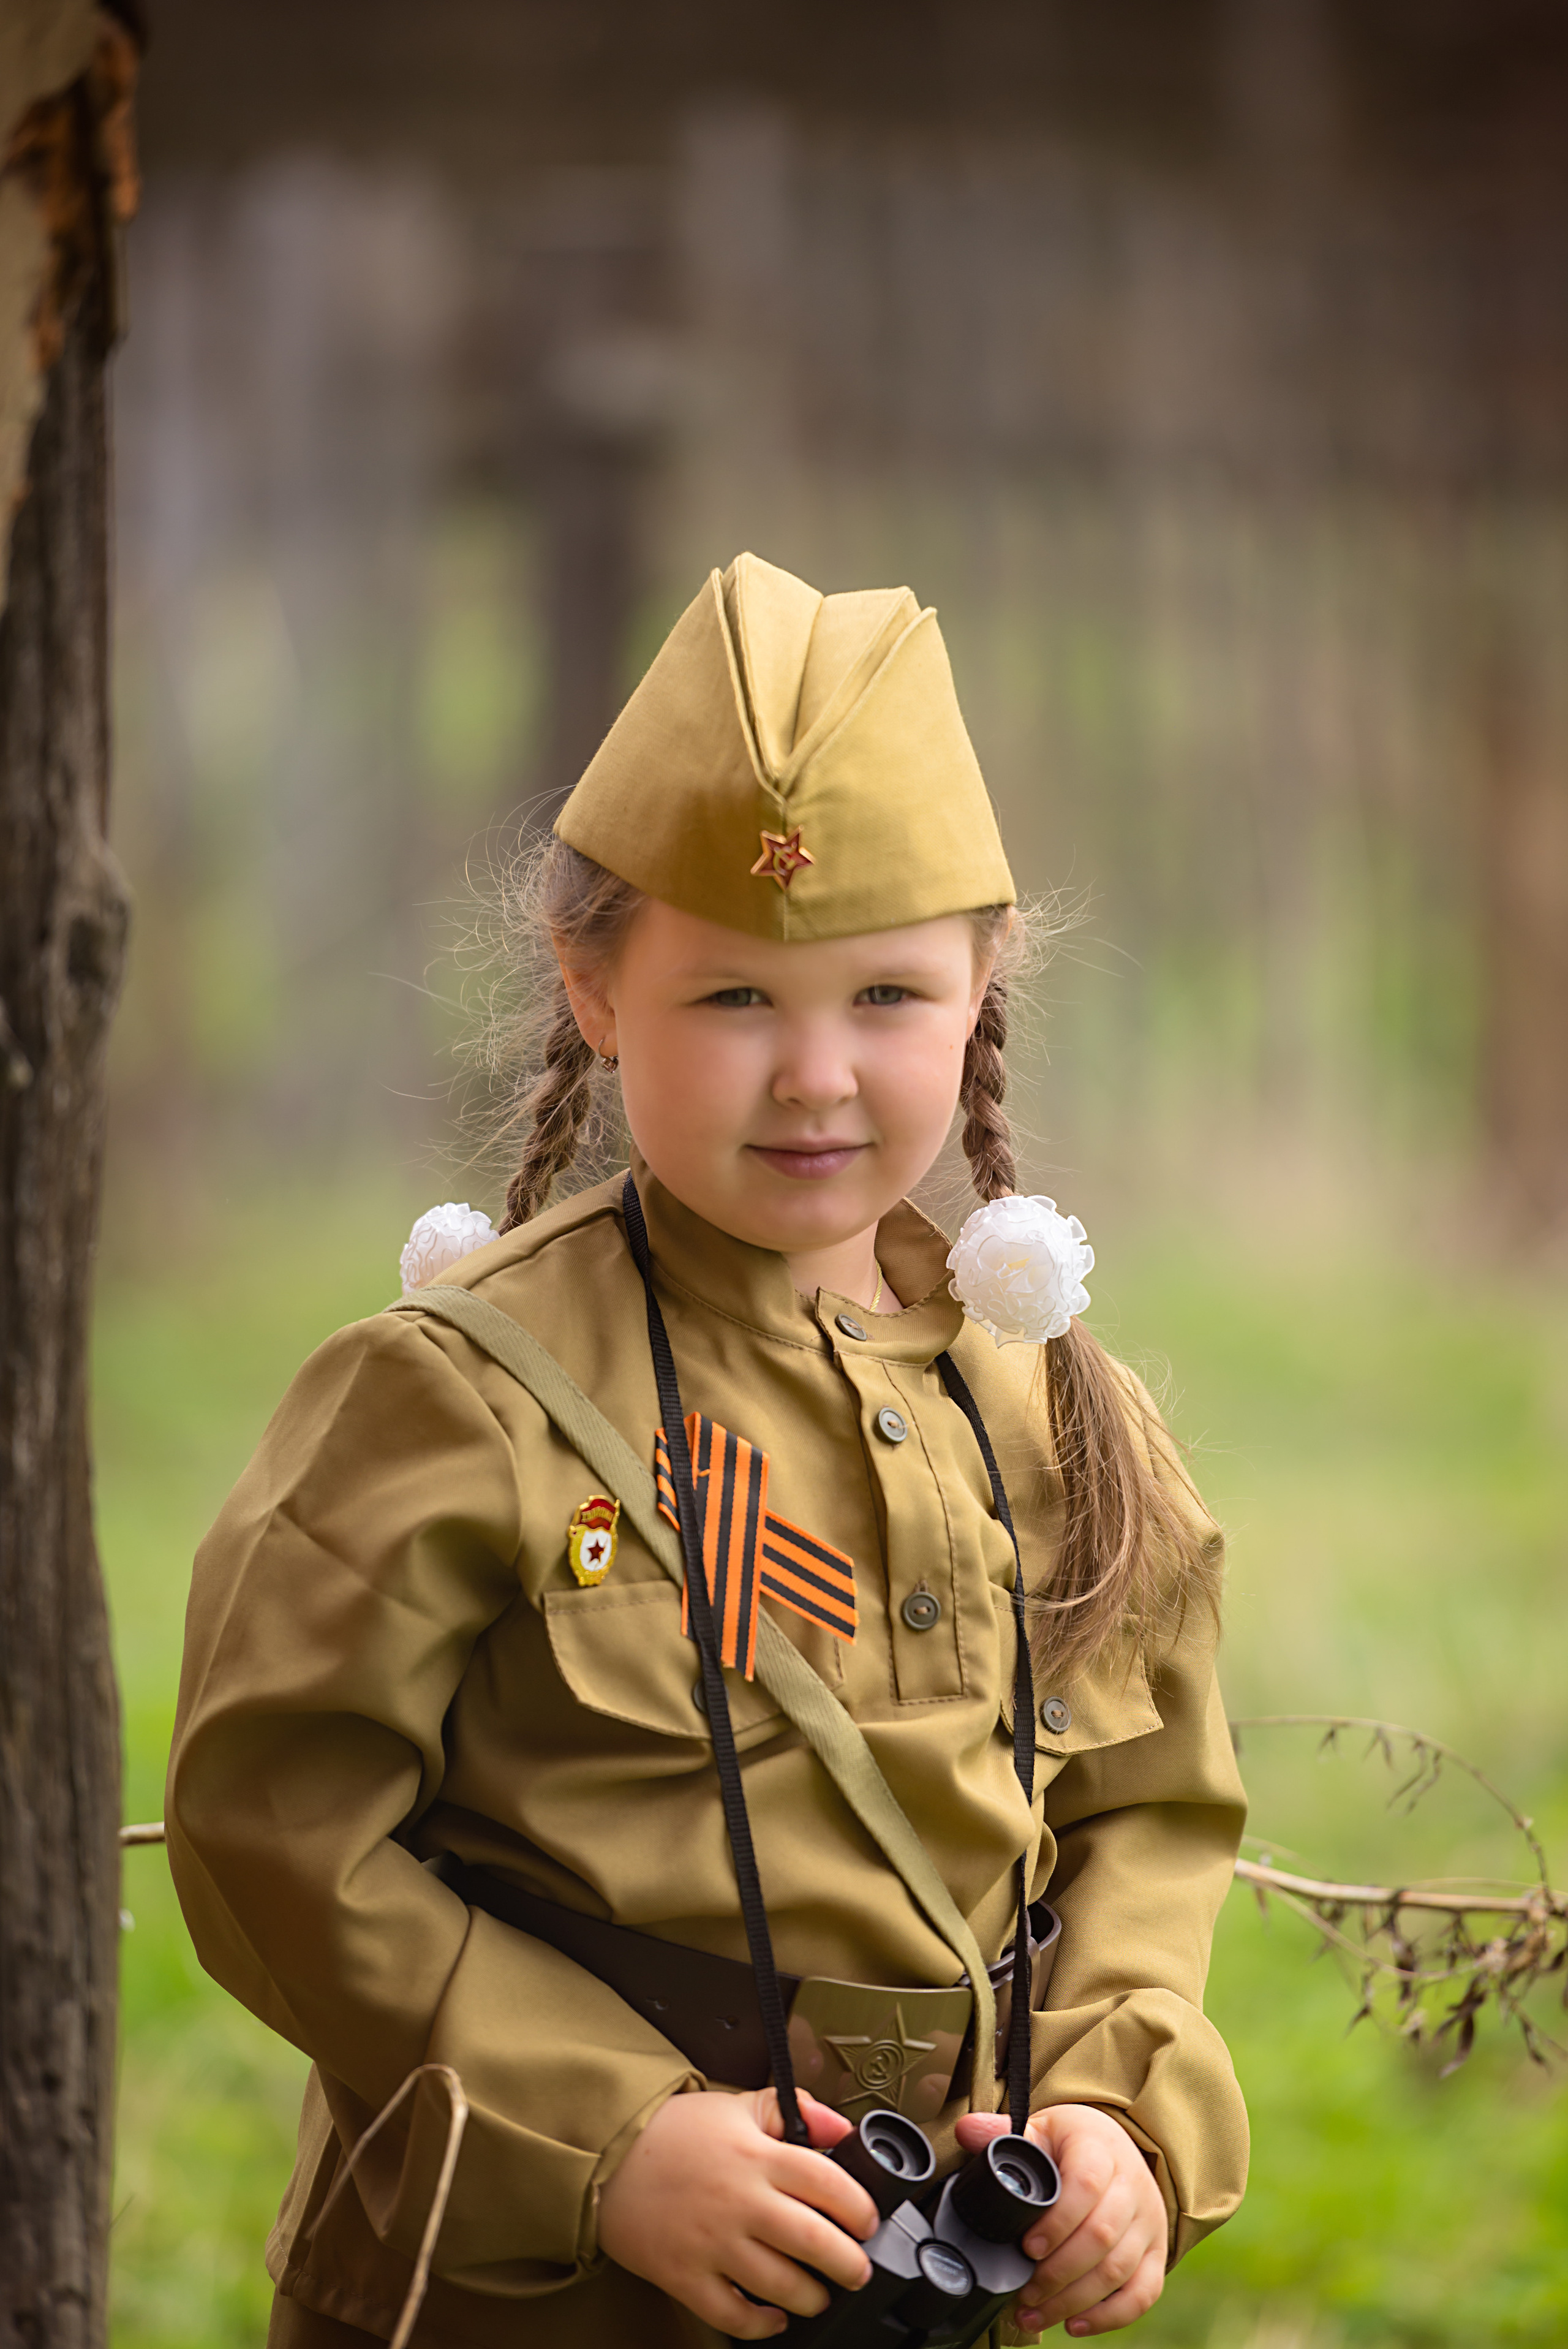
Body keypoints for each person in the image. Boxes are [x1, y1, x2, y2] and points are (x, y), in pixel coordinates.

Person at [166, 553, 1248, 2349]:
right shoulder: (458, 1398)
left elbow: (1149, 1808)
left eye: (886, 995)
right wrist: (605, 2140)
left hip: (917, 2281)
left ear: (982, 981)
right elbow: (275, 1826)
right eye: (736, 999)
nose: (816, 1074)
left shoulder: (1058, 1407)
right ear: (594, 990)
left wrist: (1122, 2111)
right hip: (523, 2292)